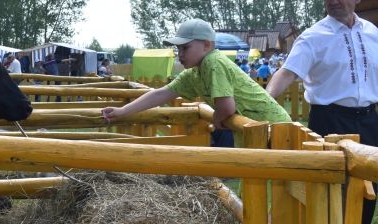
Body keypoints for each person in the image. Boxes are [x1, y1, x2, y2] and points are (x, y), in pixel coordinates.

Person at [265, 0, 378, 224]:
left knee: (370, 188)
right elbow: (287, 73)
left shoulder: (372, 32)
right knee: (327, 190)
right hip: (329, 119)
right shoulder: (313, 37)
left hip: (368, 119)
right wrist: (265, 105)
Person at [101, 18, 290, 147]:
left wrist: (216, 120)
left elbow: (226, 108)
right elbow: (160, 94)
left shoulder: (213, 62)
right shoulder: (194, 73)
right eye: (178, 49)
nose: (180, 54)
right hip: (256, 129)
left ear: (207, 45)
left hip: (275, 128)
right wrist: (122, 111)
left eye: (185, 48)